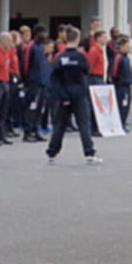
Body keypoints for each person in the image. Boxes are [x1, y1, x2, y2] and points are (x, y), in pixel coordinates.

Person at [45, 26, 102, 164]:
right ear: (77, 39)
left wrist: (62, 95)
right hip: (79, 93)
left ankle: (52, 152)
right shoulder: (81, 56)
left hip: (64, 92)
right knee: (84, 124)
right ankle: (89, 152)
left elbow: (54, 78)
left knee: (60, 125)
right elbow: (86, 70)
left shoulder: (59, 57)